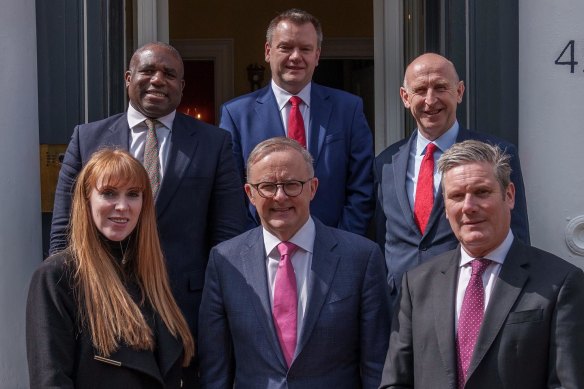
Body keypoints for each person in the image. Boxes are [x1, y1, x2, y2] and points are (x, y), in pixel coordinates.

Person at [49, 42, 247, 356]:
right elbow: (65, 229)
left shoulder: (214, 143)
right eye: (148, 71)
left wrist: (217, 303)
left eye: (169, 74)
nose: (157, 79)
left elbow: (228, 235)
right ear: (129, 78)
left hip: (184, 308)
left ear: (181, 87)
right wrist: (68, 297)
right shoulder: (87, 139)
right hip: (103, 303)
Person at [379, 140, 584, 388]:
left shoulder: (560, 283)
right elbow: (396, 382)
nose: (468, 207)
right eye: (456, 196)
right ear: (445, 208)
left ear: (509, 195)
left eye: (481, 192)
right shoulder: (417, 284)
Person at [198, 137, 390, 388]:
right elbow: (216, 370)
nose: (280, 196)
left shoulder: (361, 258)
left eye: (292, 184)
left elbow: (377, 367)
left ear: (313, 188)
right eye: (267, 186)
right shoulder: (225, 262)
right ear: (250, 194)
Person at [27, 149, 195, 388]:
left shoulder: (151, 275)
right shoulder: (58, 276)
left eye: (133, 194)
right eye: (109, 193)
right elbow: (50, 381)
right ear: (86, 199)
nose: (122, 206)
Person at [374, 53, 530, 310]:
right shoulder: (386, 163)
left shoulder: (497, 154)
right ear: (405, 97)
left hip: (467, 303)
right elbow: (383, 239)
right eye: (420, 90)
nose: (430, 100)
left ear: (459, 92)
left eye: (440, 87)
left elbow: (517, 236)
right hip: (399, 308)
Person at [219, 9, 374, 235]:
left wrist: (342, 243)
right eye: (286, 47)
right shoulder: (237, 114)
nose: (295, 56)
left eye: (305, 49)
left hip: (334, 247)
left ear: (317, 55)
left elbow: (362, 187)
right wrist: (254, 245)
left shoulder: (348, 109)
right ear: (268, 51)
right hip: (262, 251)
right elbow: (231, 194)